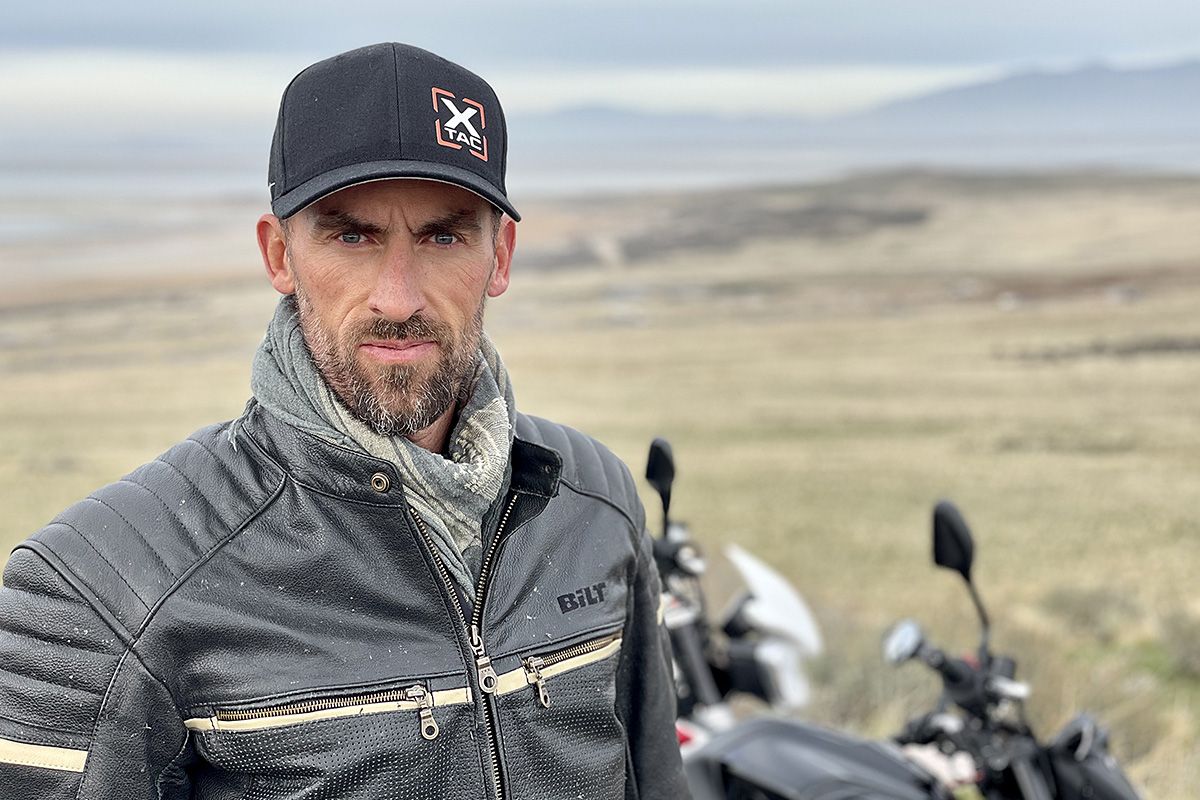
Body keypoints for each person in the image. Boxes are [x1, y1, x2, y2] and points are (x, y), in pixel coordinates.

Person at [0, 43, 688, 799]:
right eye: (350, 236)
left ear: (500, 256)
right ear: (279, 256)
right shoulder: (105, 588)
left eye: (444, 236)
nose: (398, 298)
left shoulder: (593, 504)